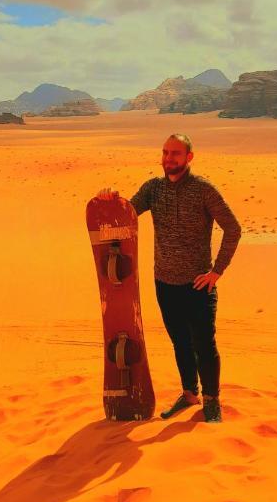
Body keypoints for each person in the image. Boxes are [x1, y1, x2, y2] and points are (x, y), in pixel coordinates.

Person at [100, 133, 241, 422]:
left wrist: (217, 271)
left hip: (198, 284)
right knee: (180, 342)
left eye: (175, 153)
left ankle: (212, 400)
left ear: (189, 157)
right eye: (165, 152)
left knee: (204, 344)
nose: (168, 159)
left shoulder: (204, 190)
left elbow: (233, 228)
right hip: (164, 283)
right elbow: (127, 212)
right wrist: (110, 197)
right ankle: (190, 393)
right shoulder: (153, 189)